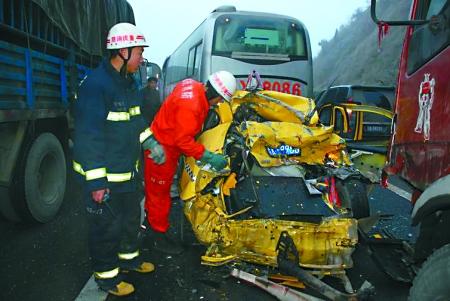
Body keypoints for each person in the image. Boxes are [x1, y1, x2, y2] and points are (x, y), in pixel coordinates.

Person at [72, 22, 166, 297]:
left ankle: (129, 261)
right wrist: (97, 182)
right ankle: (107, 277)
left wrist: (149, 141)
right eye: (139, 52)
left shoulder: (128, 84)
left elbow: (135, 121)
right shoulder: (96, 86)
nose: (141, 58)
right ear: (122, 51)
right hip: (107, 179)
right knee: (105, 230)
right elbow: (88, 137)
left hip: (127, 175)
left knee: (128, 223)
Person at [143, 71, 237, 254]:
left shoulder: (192, 86)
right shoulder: (192, 105)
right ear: (215, 94)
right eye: (219, 100)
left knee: (157, 193)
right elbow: (183, 141)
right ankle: (157, 238)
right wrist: (209, 157)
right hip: (161, 150)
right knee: (159, 195)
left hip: (165, 143)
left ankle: (151, 226)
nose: (218, 103)